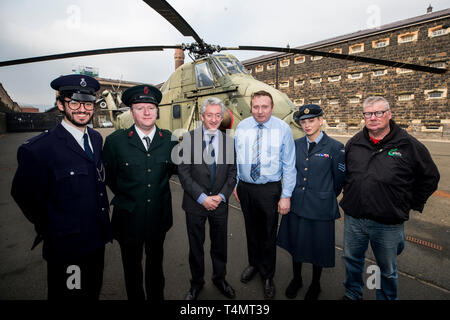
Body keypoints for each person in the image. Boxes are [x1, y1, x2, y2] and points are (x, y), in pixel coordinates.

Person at [11, 74, 112, 300]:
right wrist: (55, 226)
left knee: (92, 291)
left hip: (96, 240)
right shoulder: (40, 149)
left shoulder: (95, 138)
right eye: (74, 102)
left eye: (88, 103)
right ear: (60, 104)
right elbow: (23, 195)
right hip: (68, 249)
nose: (82, 109)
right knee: (71, 295)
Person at [340, 96, 440, 300]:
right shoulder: (355, 142)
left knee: (385, 268)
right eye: (368, 113)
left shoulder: (408, 145)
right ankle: (352, 294)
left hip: (387, 222)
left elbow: (430, 177)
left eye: (379, 112)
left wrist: (410, 202)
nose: (373, 117)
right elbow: (345, 172)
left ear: (389, 114)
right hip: (355, 219)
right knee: (352, 260)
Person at [102, 84, 177, 300]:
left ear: (157, 111)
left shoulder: (169, 140)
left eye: (151, 108)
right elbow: (109, 176)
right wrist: (130, 195)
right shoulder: (115, 142)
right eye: (140, 107)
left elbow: (175, 171)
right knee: (131, 268)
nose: (146, 112)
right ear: (132, 112)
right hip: (128, 219)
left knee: (156, 266)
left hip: (158, 217)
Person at [277, 104, 346, 300]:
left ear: (321, 120)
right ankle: (297, 279)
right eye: (303, 121)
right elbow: (289, 172)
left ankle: (315, 284)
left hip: (320, 207)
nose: (307, 125)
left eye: (311, 120)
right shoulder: (296, 145)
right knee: (296, 244)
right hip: (297, 205)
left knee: (318, 247)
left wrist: (322, 196)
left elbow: (339, 180)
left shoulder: (335, 147)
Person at [233, 90, 296, 299]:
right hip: (246, 187)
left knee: (268, 233)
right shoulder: (242, 127)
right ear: (251, 107)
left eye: (265, 107)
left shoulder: (283, 129)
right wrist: (236, 183)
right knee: (251, 230)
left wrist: (285, 195)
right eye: (256, 107)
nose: (260, 111)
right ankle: (254, 264)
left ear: (271, 107)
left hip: (269, 189)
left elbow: (289, 164)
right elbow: (236, 157)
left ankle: (268, 275)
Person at [177, 97, 237, 300]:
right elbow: (183, 173)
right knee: (196, 247)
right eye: (209, 115)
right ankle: (196, 283)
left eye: (217, 115)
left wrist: (221, 196)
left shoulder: (229, 141)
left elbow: (232, 173)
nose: (213, 119)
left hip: (220, 204)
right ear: (202, 117)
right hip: (195, 204)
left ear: (222, 118)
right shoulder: (188, 139)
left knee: (220, 246)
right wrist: (202, 197)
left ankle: (220, 279)